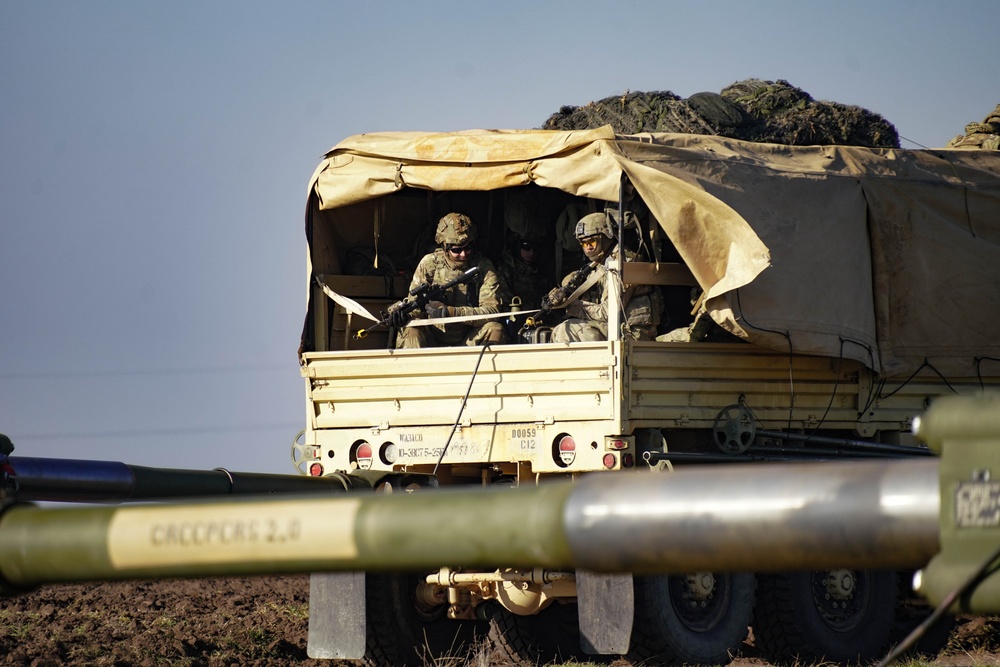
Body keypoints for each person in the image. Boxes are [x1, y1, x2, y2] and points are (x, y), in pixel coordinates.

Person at [392, 213, 507, 348]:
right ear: (444, 247)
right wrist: (400, 314)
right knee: (410, 331)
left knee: (494, 329)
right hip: (432, 339)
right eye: (456, 250)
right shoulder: (430, 264)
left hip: (469, 340)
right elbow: (414, 305)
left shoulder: (483, 267)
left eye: (468, 248)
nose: (464, 255)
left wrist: (452, 312)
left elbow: (492, 312)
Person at [546, 212, 660, 343]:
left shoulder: (623, 264)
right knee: (557, 330)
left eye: (592, 242)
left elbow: (607, 312)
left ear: (606, 237)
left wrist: (572, 305)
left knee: (567, 330)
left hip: (632, 334)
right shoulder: (597, 266)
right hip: (614, 330)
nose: (588, 248)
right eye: (584, 243)